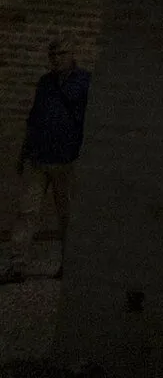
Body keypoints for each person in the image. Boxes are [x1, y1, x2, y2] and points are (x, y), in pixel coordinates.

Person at [13, 43, 90, 263]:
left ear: (72, 54)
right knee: (27, 211)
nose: (56, 59)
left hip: (67, 159)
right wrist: (24, 152)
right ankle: (17, 262)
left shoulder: (83, 81)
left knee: (67, 215)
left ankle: (68, 264)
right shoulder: (45, 82)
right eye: (53, 55)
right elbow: (35, 118)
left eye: (62, 53)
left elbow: (83, 117)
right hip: (38, 156)